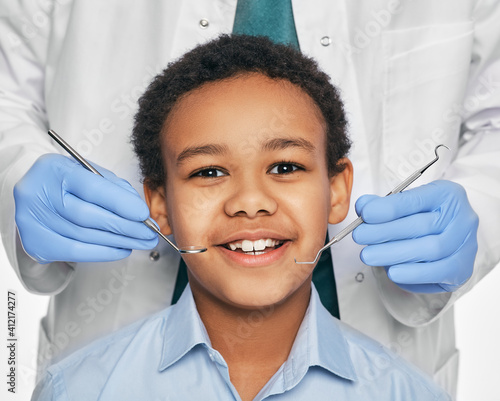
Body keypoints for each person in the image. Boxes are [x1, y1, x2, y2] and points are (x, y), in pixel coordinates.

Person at [0, 1, 498, 397]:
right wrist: (16, 170)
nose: (250, 202)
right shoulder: (77, 388)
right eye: (209, 171)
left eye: (285, 167)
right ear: (156, 202)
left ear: (339, 190)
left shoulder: (403, 391)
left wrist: (481, 212)